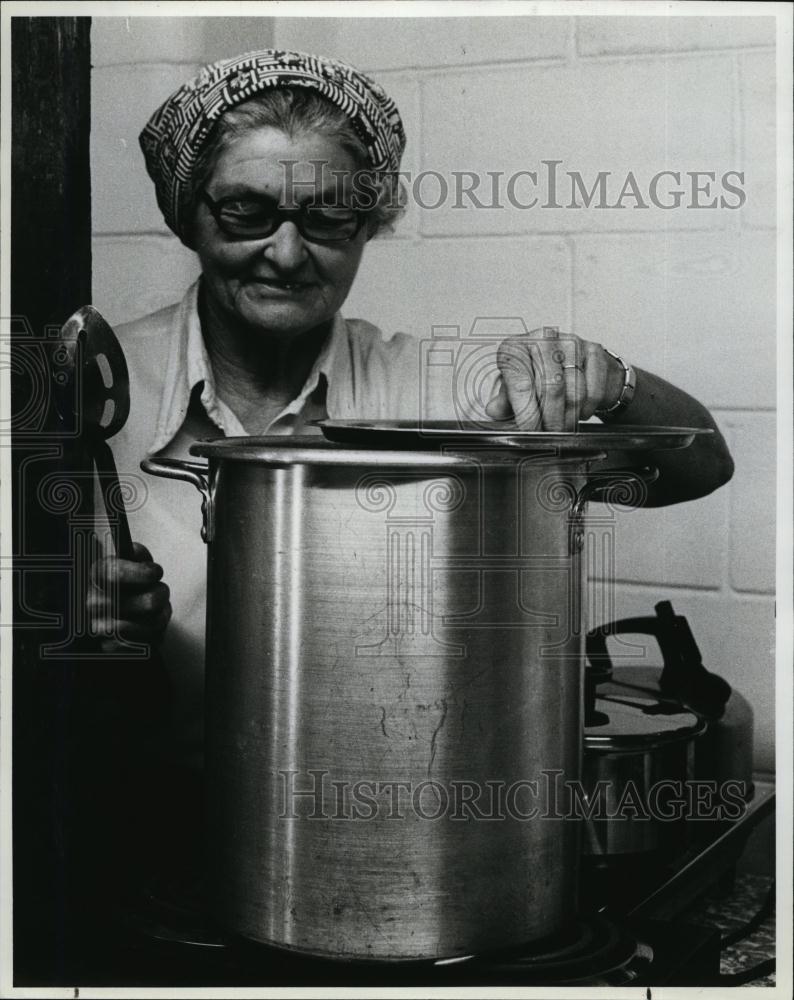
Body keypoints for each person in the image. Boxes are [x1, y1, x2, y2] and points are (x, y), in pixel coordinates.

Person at [88, 49, 733, 769]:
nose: (287, 252)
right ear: (189, 217)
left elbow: (701, 463)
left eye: (330, 215)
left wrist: (607, 379)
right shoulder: (95, 388)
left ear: (368, 225)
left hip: (376, 817)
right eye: (247, 211)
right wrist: (63, 622)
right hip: (135, 819)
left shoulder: (420, 392)